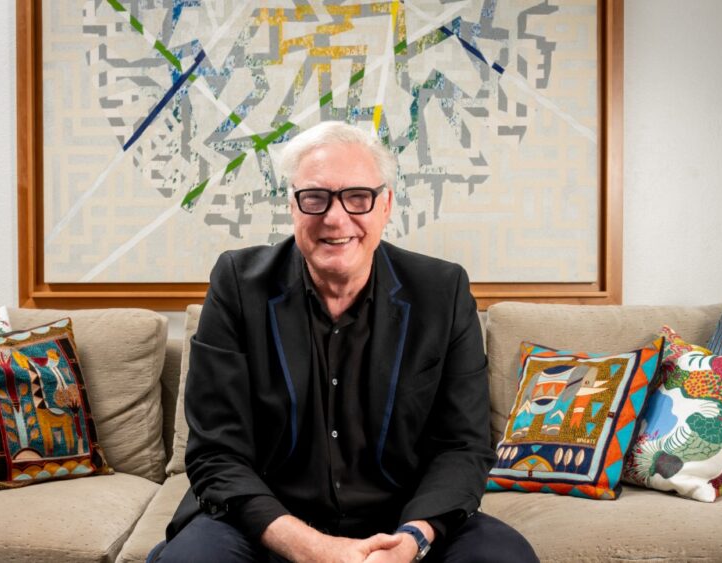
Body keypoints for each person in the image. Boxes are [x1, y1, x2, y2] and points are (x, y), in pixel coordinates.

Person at [152, 121, 537, 562]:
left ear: (386, 204)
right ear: (292, 206)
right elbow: (215, 451)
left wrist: (412, 539)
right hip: (265, 522)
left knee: (504, 557)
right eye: (315, 198)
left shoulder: (442, 292)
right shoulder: (238, 285)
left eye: (358, 197)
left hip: (401, 523)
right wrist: (311, 547)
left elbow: (462, 446)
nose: (336, 219)